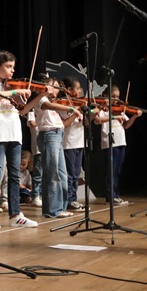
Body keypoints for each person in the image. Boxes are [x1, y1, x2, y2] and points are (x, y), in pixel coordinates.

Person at [0, 50, 37, 230]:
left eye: (13, 67)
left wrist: (39, 95)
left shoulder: (13, 88)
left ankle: (15, 214)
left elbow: (23, 111)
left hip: (15, 134)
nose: (12, 71)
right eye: (8, 67)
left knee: (14, 175)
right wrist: (12, 92)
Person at [21, 75, 81, 219]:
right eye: (53, 86)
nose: (56, 90)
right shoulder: (41, 99)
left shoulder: (52, 102)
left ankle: (61, 207)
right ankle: (52, 210)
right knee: (52, 174)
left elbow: (62, 122)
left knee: (62, 174)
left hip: (57, 135)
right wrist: (71, 108)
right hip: (49, 136)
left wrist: (74, 111)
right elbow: (48, 106)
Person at [93, 84, 142, 206]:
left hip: (121, 142)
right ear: (106, 96)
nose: (116, 100)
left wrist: (134, 116)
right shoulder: (102, 109)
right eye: (113, 97)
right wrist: (114, 116)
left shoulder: (119, 109)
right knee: (111, 171)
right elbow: (97, 121)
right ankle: (110, 196)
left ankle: (116, 194)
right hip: (110, 143)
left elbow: (125, 125)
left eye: (118, 97)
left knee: (117, 171)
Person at [61, 78, 89, 211]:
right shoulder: (64, 105)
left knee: (77, 174)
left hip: (79, 142)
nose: (79, 91)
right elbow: (64, 124)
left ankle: (74, 199)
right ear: (69, 90)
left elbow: (87, 124)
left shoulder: (79, 104)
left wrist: (88, 114)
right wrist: (75, 111)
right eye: (77, 89)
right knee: (70, 174)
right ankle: (68, 200)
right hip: (69, 143)